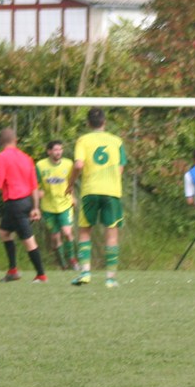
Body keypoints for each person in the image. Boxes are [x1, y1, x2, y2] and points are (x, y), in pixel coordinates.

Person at [0, 127, 47, 282]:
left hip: (16, 204)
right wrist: (35, 207)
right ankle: (13, 271)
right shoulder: (26, 158)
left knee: (28, 240)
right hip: (25, 202)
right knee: (4, 232)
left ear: (1, 142)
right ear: (16, 140)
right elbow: (34, 186)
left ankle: (41, 275)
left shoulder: (2, 157)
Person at [67, 107, 126, 288]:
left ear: (88, 123)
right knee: (111, 233)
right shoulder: (117, 141)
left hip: (90, 190)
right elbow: (121, 167)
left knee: (85, 231)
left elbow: (78, 165)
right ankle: (110, 278)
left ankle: (85, 273)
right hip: (112, 191)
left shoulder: (83, 140)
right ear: (104, 122)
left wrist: (70, 183)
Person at [35, 139, 78, 272]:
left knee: (67, 232)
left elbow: (70, 183)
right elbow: (35, 185)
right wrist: (38, 193)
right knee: (55, 237)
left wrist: (73, 197)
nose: (58, 152)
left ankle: (72, 260)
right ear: (49, 152)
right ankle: (63, 264)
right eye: (55, 150)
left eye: (60, 149)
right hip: (48, 207)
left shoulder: (68, 164)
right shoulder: (40, 165)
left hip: (64, 204)